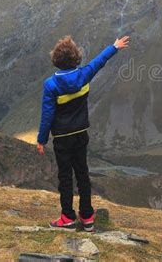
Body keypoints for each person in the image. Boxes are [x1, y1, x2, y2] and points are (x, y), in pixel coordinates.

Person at [37, 35, 130, 231]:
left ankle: (67, 218)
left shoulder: (51, 85)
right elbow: (99, 61)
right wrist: (114, 47)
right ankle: (87, 217)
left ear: (56, 60)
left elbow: (47, 115)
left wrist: (41, 139)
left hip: (62, 137)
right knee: (82, 174)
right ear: (76, 58)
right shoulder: (84, 74)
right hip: (81, 133)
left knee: (65, 177)